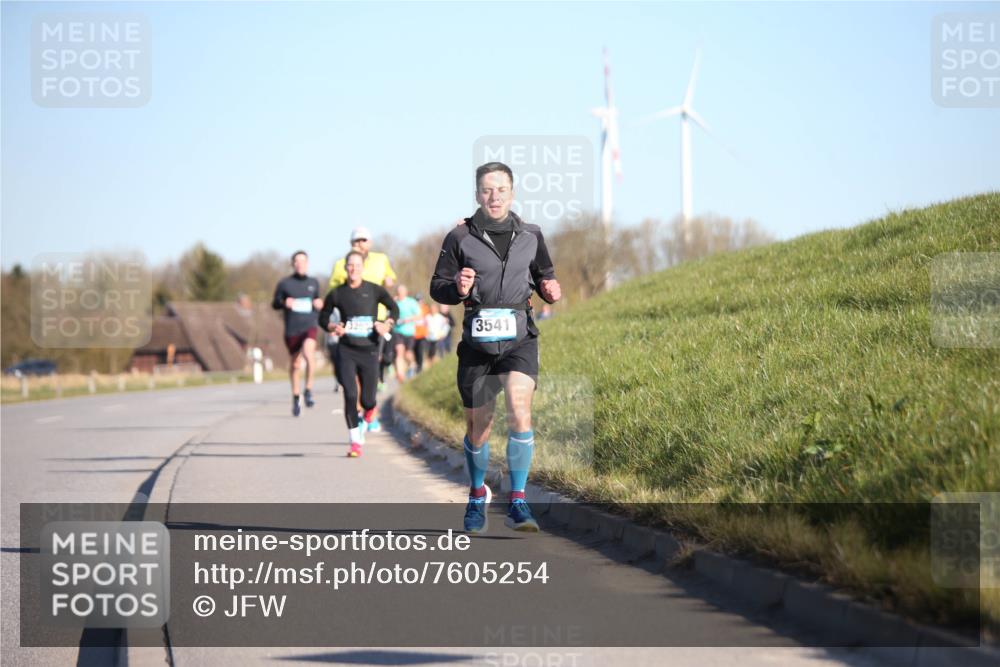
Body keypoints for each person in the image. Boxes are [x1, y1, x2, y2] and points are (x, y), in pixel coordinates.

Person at [430, 161, 561, 533]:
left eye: (501, 189)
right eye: (487, 190)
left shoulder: (532, 234)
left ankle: (518, 500)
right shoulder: (459, 238)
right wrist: (456, 285)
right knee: (479, 426)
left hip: (519, 338)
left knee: (520, 409)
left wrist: (551, 288)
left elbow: (545, 276)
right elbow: (437, 287)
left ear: (512, 193)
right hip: (477, 341)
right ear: (477, 195)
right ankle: (476, 495)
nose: (494, 196)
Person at [319, 250, 399, 458]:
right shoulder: (338, 293)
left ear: (363, 268)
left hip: (370, 349)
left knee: (368, 400)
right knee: (350, 394)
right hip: (346, 350)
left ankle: (369, 412)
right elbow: (323, 316)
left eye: (357, 265)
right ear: (345, 268)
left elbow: (394, 308)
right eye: (350, 265)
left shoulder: (374, 290)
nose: (353, 269)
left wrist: (386, 324)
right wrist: (332, 326)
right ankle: (355, 442)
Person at [328, 227, 398, 427]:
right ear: (351, 244)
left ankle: (368, 408)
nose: (360, 244)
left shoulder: (381, 259)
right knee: (352, 375)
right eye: (356, 241)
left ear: (370, 243)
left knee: (371, 367)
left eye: (364, 240)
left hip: (377, 323)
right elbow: (333, 292)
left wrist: (389, 282)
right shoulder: (342, 264)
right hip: (351, 324)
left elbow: (390, 279)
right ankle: (358, 411)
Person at [272, 250, 324, 416]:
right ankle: (296, 396)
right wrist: (283, 302)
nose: (300, 264)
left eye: (303, 261)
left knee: (309, 354)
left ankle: (308, 390)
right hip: (292, 328)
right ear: (293, 264)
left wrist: (319, 304)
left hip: (310, 324)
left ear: (307, 264)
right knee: (295, 364)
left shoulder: (314, 282)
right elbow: (275, 303)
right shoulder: (285, 284)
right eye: (297, 261)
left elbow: (318, 300)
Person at [392, 284, 421, 380]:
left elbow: (418, 315)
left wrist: (407, 319)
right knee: (399, 351)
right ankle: (400, 375)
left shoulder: (411, 302)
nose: (399, 293)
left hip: (409, 331)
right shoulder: (395, 302)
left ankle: (412, 364)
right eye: (398, 291)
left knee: (407, 353)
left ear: (405, 292)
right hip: (397, 331)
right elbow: (390, 313)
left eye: (401, 291)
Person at [424, 303, 450, 368]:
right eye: (431, 309)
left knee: (436, 354)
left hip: (438, 339)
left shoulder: (441, 318)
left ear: (437, 309)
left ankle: (436, 366)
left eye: (434, 309)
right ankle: (429, 367)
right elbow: (423, 326)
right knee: (429, 355)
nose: (432, 310)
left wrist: (443, 335)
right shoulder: (427, 317)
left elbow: (446, 327)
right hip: (428, 339)